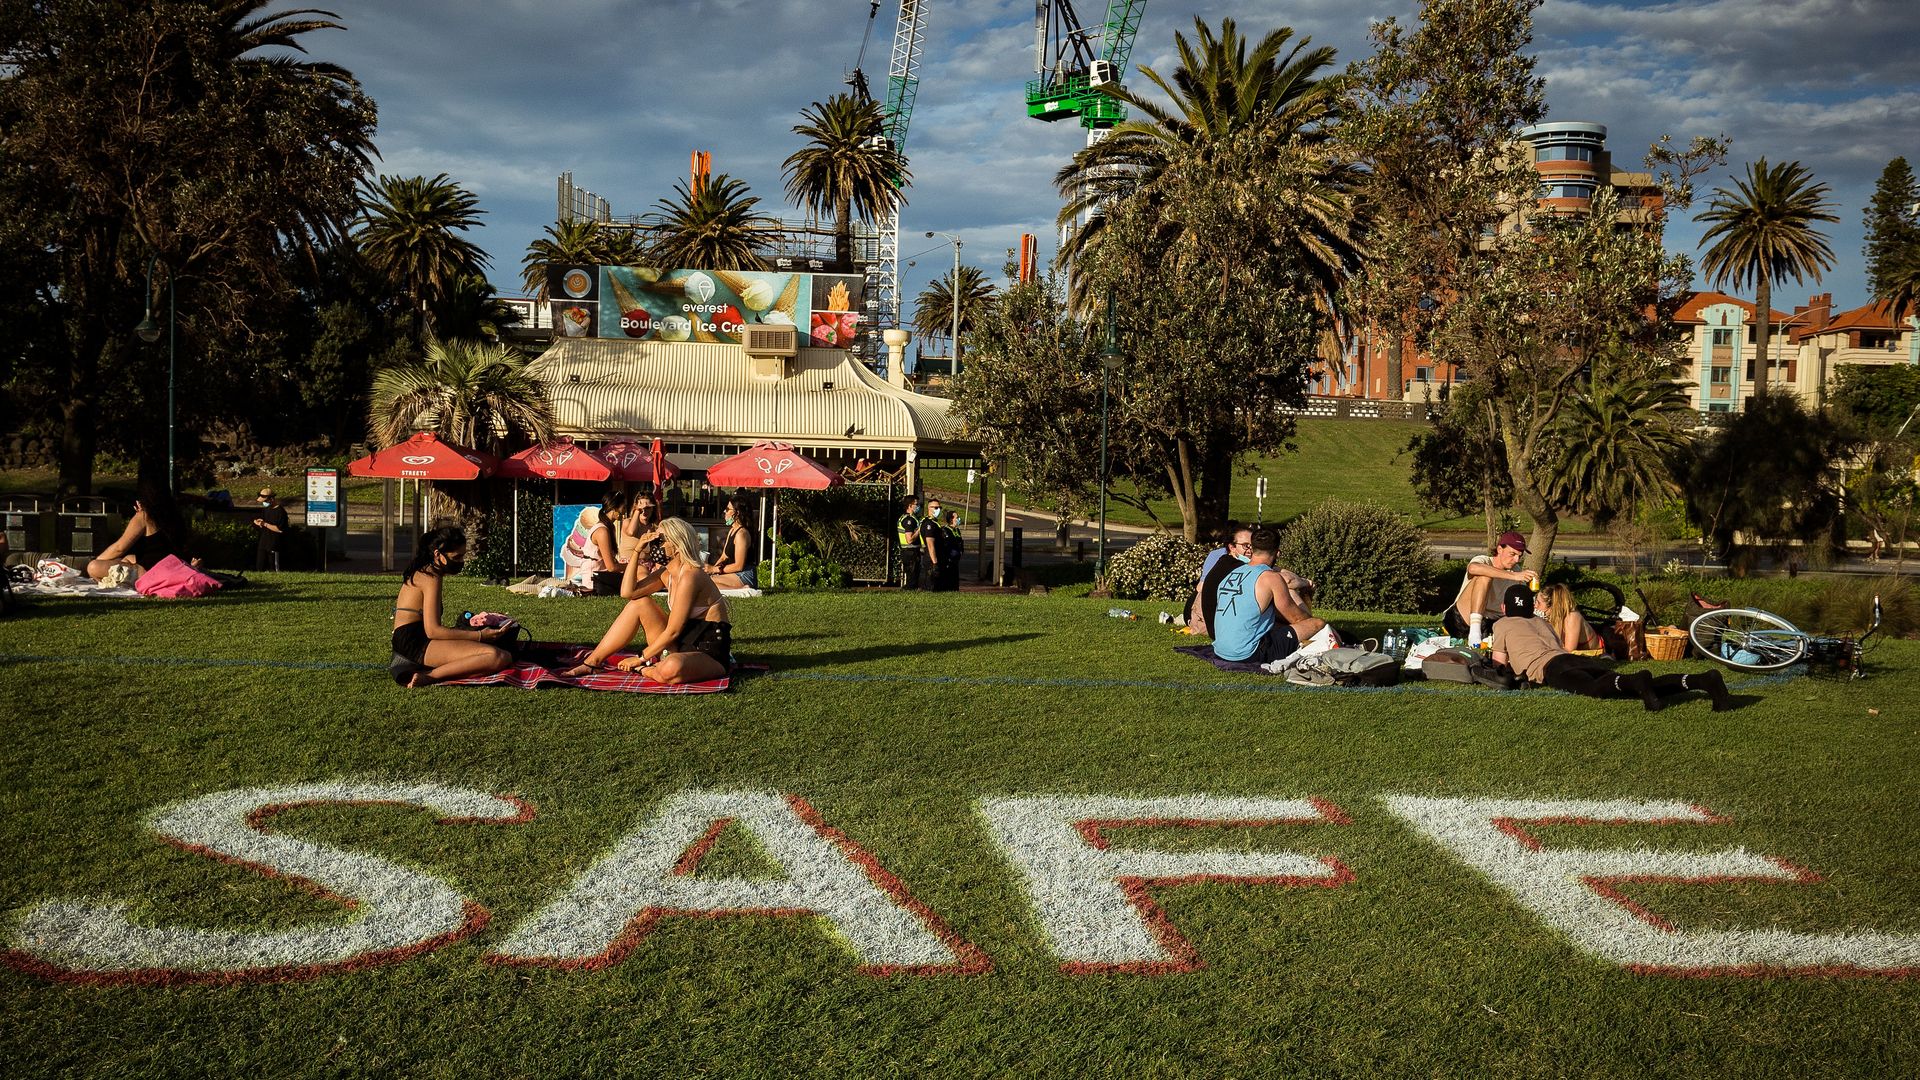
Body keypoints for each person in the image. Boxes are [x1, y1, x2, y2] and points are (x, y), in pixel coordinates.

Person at [1489, 584, 1730, 711]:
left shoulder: (1502, 624)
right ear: (1531, 607)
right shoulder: (1540, 621)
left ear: (1503, 607)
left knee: (1595, 689)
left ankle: (1639, 681)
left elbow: (1498, 665)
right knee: (1632, 686)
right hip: (1573, 659)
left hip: (1552, 668)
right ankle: (1702, 680)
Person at [566, 517, 732, 685]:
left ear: (677, 544)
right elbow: (628, 592)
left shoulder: (691, 575)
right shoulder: (665, 574)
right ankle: (592, 663)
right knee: (639, 603)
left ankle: (646, 669)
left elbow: (673, 631)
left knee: (671, 668)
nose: (654, 545)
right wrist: (637, 552)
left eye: (659, 540)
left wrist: (640, 659)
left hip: (708, 651)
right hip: (680, 644)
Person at [390, 526, 513, 688]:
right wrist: (481, 636)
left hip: (415, 637)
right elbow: (433, 630)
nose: (460, 562)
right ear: (437, 554)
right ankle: (430, 676)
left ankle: (433, 672)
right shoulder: (430, 576)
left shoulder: (427, 571)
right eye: (456, 557)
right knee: (497, 656)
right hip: (413, 642)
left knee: (500, 653)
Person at [1210, 527, 1329, 665]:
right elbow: (1296, 618)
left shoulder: (1233, 573)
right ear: (1277, 553)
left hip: (1221, 650)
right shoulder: (1271, 578)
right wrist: (1310, 622)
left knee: (1277, 625)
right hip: (1248, 653)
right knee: (1317, 623)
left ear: (1252, 548)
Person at [1445, 530, 1538, 644]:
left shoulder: (1517, 571)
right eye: (1512, 554)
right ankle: (1474, 634)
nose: (1516, 560)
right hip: (1462, 619)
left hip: (1491, 622)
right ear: (1500, 549)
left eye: (1519, 556)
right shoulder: (1484, 560)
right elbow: (1473, 569)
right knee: (1484, 576)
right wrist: (1513, 576)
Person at [88, 483, 189, 582]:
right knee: (128, 558)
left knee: (93, 567)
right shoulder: (175, 516)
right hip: (171, 566)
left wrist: (98, 560)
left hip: (150, 571)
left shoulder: (145, 516)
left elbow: (119, 548)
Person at [1190, 523, 1252, 635]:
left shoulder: (1224, 560)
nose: (1250, 550)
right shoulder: (1235, 565)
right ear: (1232, 547)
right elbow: (1200, 587)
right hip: (1207, 619)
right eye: (1246, 545)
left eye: (1253, 545)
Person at [705, 495, 757, 590]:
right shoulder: (732, 530)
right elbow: (724, 556)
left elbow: (739, 565)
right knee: (704, 579)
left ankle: (741, 590)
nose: (725, 511)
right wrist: (712, 570)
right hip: (735, 574)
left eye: (728, 509)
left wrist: (713, 570)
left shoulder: (742, 534)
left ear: (737, 513)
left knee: (707, 582)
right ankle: (740, 589)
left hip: (744, 575)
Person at [1541, 583, 1606, 654]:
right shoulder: (1549, 616)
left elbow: (1568, 650)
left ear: (1552, 607)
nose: (1535, 606)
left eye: (1538, 603)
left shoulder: (1571, 617)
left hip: (1597, 651)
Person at [250, 487, 289, 571]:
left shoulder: (280, 511)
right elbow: (264, 522)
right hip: (263, 542)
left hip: (274, 543)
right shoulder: (266, 509)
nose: (264, 503)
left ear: (271, 499)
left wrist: (265, 524)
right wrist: (259, 523)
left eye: (265, 501)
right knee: (260, 566)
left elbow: (279, 529)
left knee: (273, 568)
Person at [896, 495, 923, 589]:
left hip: (909, 552)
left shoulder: (909, 518)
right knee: (912, 578)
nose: (918, 506)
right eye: (916, 504)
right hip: (910, 552)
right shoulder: (909, 520)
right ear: (910, 506)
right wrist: (920, 529)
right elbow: (909, 539)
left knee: (913, 577)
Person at [920, 497, 946, 591]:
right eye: (935, 508)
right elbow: (930, 544)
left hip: (936, 557)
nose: (938, 510)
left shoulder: (934, 522)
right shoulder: (929, 524)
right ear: (929, 508)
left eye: (939, 507)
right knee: (931, 586)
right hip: (931, 559)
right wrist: (935, 563)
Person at [941, 509, 965, 589]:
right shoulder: (945, 530)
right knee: (948, 581)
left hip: (956, 560)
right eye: (957, 517)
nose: (958, 519)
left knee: (955, 581)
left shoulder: (957, 530)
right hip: (948, 560)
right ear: (951, 519)